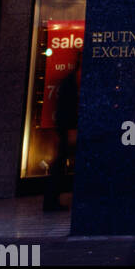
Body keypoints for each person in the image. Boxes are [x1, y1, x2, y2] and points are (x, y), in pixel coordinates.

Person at [43, 55, 80, 212]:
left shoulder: (70, 80)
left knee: (60, 163)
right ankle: (51, 200)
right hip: (67, 128)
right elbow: (67, 108)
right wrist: (70, 129)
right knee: (60, 164)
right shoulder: (71, 82)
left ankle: (52, 199)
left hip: (65, 128)